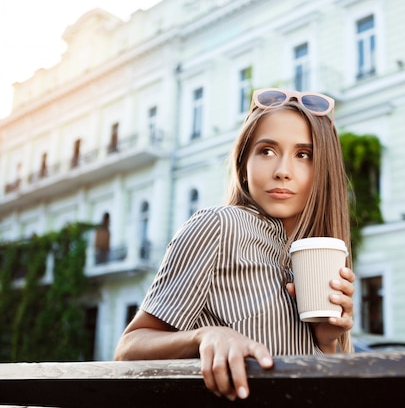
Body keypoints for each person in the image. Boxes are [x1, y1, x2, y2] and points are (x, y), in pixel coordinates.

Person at [114, 88, 355, 401]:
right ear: (244, 162)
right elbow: (128, 349)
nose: (282, 171)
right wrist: (205, 337)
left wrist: (326, 343)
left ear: (323, 170)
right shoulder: (217, 226)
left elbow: (325, 394)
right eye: (266, 151)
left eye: (303, 154)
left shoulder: (319, 256)